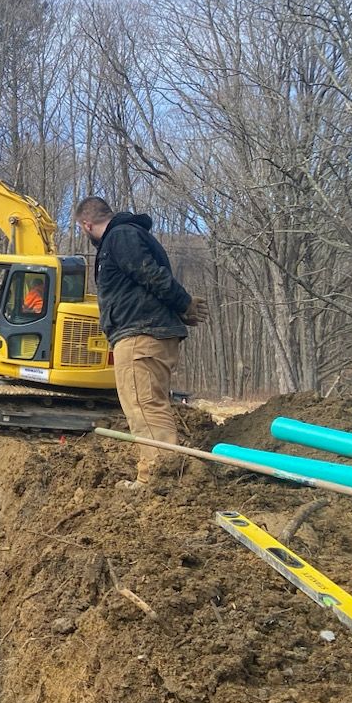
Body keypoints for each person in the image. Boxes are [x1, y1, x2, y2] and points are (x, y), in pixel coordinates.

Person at [75, 197, 210, 490]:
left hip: (139, 336)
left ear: (87, 225)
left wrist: (183, 302)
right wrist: (179, 306)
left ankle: (158, 480)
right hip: (148, 333)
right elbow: (148, 280)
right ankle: (162, 474)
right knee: (150, 404)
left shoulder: (120, 236)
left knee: (144, 405)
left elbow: (150, 274)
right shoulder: (133, 234)